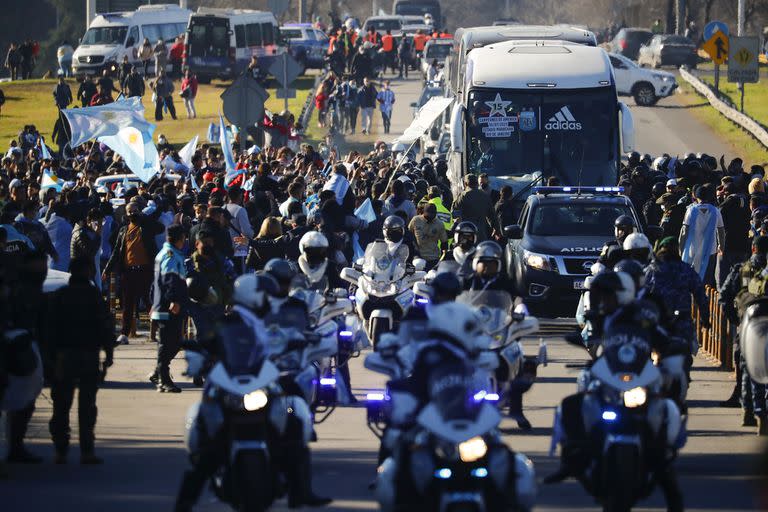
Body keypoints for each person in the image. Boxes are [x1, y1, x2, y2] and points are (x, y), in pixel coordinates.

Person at [48, 256, 115, 464]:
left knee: (61, 405)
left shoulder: (60, 295)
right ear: (87, 271)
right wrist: (109, 355)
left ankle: (60, 450)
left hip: (64, 357)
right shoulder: (93, 295)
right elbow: (105, 327)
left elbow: (48, 330)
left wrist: (50, 359)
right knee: (87, 407)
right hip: (88, 356)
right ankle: (87, 451)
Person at [103, 201, 164, 344]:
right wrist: (107, 269)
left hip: (145, 270)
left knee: (150, 302)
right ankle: (124, 334)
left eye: (135, 210)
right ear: (126, 214)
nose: (132, 213)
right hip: (128, 272)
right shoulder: (123, 230)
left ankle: (158, 332)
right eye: (130, 211)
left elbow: (160, 228)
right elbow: (116, 252)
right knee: (127, 304)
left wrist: (144, 217)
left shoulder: (146, 227)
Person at [150, 224, 188, 393]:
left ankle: (159, 373)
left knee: (173, 343)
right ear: (179, 239)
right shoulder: (170, 255)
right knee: (167, 344)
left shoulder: (167, 254)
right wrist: (173, 300)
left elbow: (154, 284)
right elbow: (169, 279)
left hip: (163, 304)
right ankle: (163, 379)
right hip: (169, 307)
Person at [679, 184, 724, 286]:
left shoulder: (691, 210)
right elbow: (721, 231)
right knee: (707, 280)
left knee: (692, 279)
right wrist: (721, 246)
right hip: (710, 251)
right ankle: (705, 299)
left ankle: (694, 300)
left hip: (693, 251)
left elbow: (684, 232)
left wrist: (681, 249)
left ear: (696, 196)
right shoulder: (715, 211)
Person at [453, 174, 495, 242]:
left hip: (466, 234)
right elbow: (492, 215)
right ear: (477, 183)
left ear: (465, 184)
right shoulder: (485, 196)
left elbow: (455, 214)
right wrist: (496, 228)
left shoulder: (462, 196)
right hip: (481, 234)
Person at [70, 207, 103, 286]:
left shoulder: (89, 233)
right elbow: (90, 252)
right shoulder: (80, 234)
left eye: (101, 223)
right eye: (96, 223)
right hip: (80, 273)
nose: (99, 226)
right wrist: (98, 236)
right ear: (88, 221)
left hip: (88, 272)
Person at [408, 202, 446, 269]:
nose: (430, 217)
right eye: (428, 214)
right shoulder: (416, 220)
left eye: (432, 214)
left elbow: (444, 242)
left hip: (433, 257)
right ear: (423, 212)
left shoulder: (439, 224)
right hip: (418, 256)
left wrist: (442, 258)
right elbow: (408, 234)